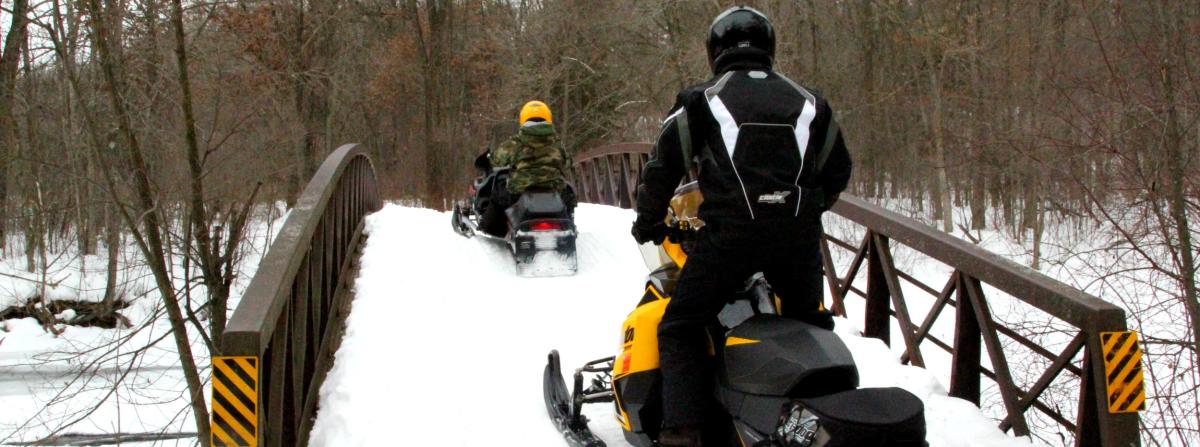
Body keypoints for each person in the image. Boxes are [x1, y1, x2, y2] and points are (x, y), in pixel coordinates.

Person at [630, 6, 852, 446]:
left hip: (730, 239)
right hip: (797, 242)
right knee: (806, 322)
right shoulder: (812, 102)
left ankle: (683, 432)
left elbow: (662, 166)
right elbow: (838, 169)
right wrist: (809, 209)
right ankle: (830, 420)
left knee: (680, 325)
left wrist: (648, 220)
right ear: (769, 47)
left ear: (716, 50)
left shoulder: (702, 99)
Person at [479, 100, 573, 236]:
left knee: (498, 195)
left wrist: (488, 158)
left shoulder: (516, 143)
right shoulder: (557, 143)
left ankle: (494, 229)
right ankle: (568, 223)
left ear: (524, 119)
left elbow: (496, 159)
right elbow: (568, 162)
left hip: (519, 190)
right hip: (553, 188)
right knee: (569, 195)